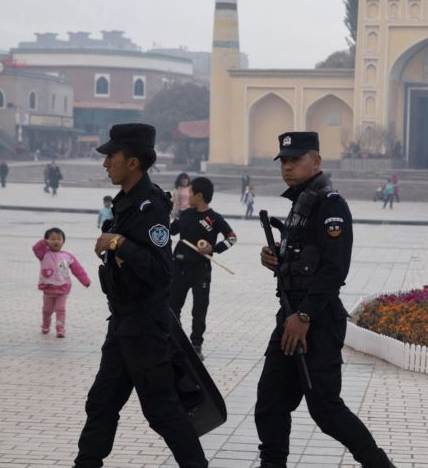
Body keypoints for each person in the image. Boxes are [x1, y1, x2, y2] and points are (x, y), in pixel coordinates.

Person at [255, 131, 395, 468]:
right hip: (290, 315)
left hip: (315, 319)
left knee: (326, 409)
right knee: (270, 402)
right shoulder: (301, 202)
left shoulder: (330, 204)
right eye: (284, 161)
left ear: (315, 161)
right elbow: (306, 258)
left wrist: (304, 316)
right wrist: (275, 256)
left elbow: (334, 269)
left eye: (295, 160)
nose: (287, 167)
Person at [74, 123, 208, 468]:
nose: (106, 164)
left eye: (111, 156)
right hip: (122, 323)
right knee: (102, 402)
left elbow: (162, 272)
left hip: (146, 328)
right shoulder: (126, 204)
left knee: (162, 411)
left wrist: (120, 243)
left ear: (132, 162)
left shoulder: (151, 208)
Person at [168, 176, 236, 360]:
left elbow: (232, 238)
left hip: (201, 270)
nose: (187, 195)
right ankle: (176, 341)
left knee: (199, 309)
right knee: (173, 306)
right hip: (179, 267)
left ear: (198, 196)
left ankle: (196, 345)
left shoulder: (214, 219)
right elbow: (169, 231)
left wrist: (213, 248)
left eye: (190, 192)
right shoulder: (185, 214)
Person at [33, 227, 90, 337]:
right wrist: (44, 242)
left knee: (60, 309)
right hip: (48, 287)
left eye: (59, 239)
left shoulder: (68, 256)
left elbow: (78, 270)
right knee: (47, 310)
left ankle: (60, 328)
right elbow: (36, 248)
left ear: (63, 241)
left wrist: (85, 281)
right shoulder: (43, 254)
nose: (56, 241)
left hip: (63, 288)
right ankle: (45, 325)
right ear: (47, 241)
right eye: (52, 239)